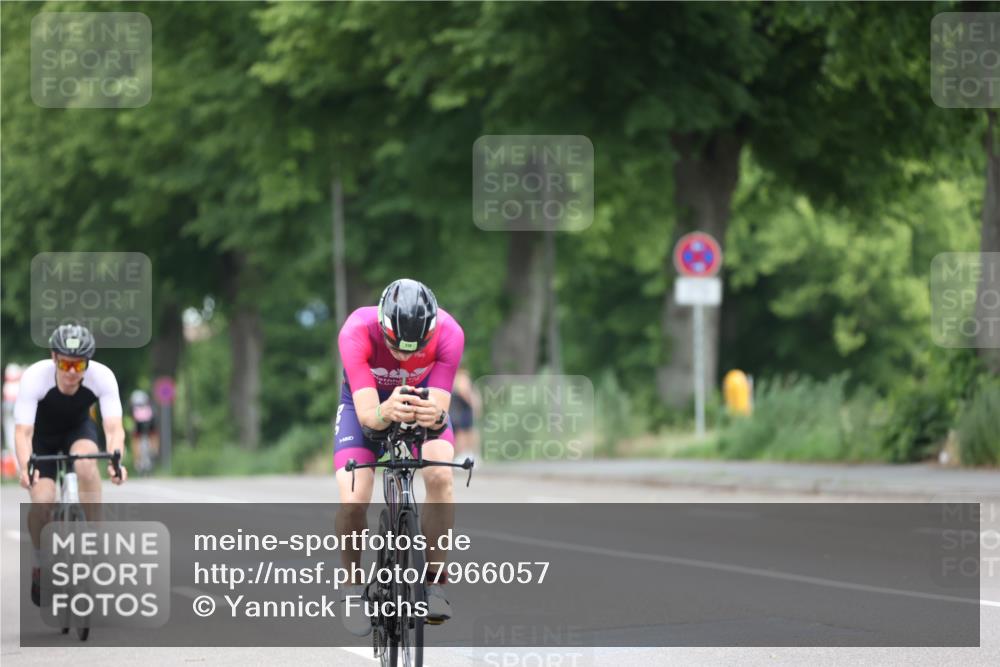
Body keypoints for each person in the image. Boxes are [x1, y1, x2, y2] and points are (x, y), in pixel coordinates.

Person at [335, 278, 464, 636]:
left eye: (415, 349)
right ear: (383, 326)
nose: (405, 357)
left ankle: (435, 583)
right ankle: (351, 587)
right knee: (353, 500)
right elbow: (367, 416)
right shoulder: (356, 330)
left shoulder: (451, 333)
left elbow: (439, 409)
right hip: (366, 403)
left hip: (422, 398)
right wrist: (386, 410)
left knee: (441, 477)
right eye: (396, 347)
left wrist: (435, 417)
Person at [14, 324, 127, 606]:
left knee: (87, 464)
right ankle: (40, 563)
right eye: (65, 363)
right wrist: (25, 467)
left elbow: (114, 428)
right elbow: (23, 432)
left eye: (79, 365)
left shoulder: (102, 377)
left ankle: (94, 538)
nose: (72, 373)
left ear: (88, 363)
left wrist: (116, 461)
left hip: (78, 430)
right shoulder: (35, 378)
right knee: (42, 501)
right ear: (54, 358)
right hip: (42, 438)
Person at [450, 366, 481, 464]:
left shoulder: (455, 378)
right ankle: (462, 455)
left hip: (457, 411)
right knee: (463, 434)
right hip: (461, 411)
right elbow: (465, 392)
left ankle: (464, 455)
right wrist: (475, 405)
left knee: (464, 433)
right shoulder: (461, 378)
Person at [128, 389, 158, 471]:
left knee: (135, 439)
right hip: (150, 423)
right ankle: (154, 450)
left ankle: (137, 460)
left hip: (139, 425)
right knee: (154, 435)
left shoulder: (133, 406)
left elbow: (131, 418)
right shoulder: (149, 405)